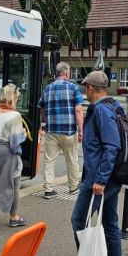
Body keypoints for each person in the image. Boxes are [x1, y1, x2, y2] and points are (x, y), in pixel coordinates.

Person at [62, 71, 124, 256]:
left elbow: (112, 146)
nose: (83, 91)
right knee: (110, 223)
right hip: (110, 178)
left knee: (79, 220)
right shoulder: (114, 106)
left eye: (84, 87)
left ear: (89, 88)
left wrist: (100, 179)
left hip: (98, 180)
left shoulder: (100, 111)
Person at [38, 62, 84, 198]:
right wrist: (81, 130)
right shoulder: (73, 87)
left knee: (49, 160)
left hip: (52, 130)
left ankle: (48, 189)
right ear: (67, 73)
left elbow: (42, 108)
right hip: (69, 130)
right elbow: (79, 109)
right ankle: (73, 187)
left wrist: (46, 121)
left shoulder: (48, 88)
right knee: (72, 159)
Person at [0, 84, 28, 227]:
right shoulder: (15, 115)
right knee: (13, 183)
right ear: (13, 97)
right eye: (17, 97)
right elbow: (15, 144)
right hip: (8, 154)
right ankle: (14, 216)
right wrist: (24, 135)